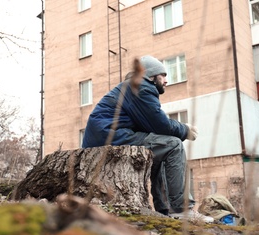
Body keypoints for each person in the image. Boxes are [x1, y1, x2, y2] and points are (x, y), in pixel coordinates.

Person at [82, 55, 214, 223]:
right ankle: (181, 209)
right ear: (151, 76)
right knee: (173, 145)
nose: (166, 80)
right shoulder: (142, 88)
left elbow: (152, 126)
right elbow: (160, 124)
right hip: (111, 137)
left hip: (106, 138)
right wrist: (184, 129)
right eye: (163, 75)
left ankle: (166, 210)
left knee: (162, 149)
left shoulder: (132, 88)